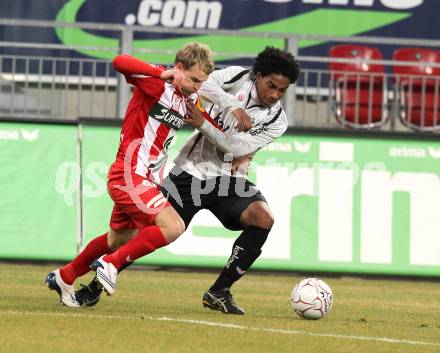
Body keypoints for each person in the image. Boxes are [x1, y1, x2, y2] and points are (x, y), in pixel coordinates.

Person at [75, 46, 301, 314]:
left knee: (263, 219)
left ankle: (219, 291)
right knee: (143, 232)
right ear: (258, 76)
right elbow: (203, 88)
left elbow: (238, 149)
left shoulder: (278, 120)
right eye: (271, 86)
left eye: (282, 91)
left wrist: (204, 124)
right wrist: (233, 106)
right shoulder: (235, 77)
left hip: (227, 180)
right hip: (188, 174)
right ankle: (94, 285)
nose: (274, 95)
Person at [45, 42, 215, 307]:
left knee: (119, 239)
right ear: (179, 68)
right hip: (129, 175)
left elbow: (213, 124)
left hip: (145, 180)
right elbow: (119, 61)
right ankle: (109, 265)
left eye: (201, 82)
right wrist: (161, 73)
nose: (197, 86)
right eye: (193, 79)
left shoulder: (191, 100)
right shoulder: (157, 82)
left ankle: (65, 276)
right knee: (173, 226)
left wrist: (228, 126)